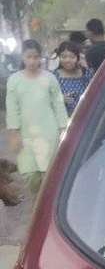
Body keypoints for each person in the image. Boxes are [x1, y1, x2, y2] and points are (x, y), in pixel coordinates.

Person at [5, 39, 68, 196]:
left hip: (49, 132)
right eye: (29, 57)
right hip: (26, 136)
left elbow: (58, 105)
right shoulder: (14, 80)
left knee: (50, 174)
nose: (32, 61)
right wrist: (14, 134)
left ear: (41, 58)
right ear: (22, 58)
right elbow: (12, 109)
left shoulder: (50, 78)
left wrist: (63, 129)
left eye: (36, 57)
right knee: (31, 175)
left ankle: (47, 211)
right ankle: (37, 207)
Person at [54, 41, 92, 115]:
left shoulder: (86, 73)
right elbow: (48, 99)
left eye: (72, 57)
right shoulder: (54, 76)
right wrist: (60, 99)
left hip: (85, 117)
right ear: (59, 57)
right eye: (63, 57)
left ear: (78, 58)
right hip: (64, 119)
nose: (68, 60)